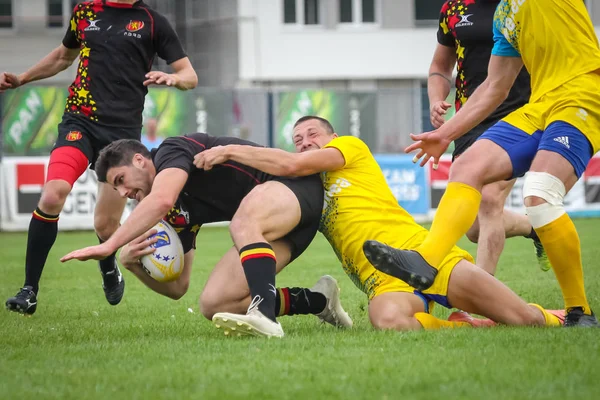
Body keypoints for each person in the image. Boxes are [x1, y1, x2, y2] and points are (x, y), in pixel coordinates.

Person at [193, 115, 565, 331]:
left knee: (525, 320)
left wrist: (228, 150)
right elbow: (284, 181)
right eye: (297, 140)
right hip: (382, 280)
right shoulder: (306, 193)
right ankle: (464, 326)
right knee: (387, 321)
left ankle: (565, 317)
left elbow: (289, 164)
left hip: (422, 255)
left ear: (333, 138)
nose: (304, 143)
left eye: (312, 135)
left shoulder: (349, 148)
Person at [368, 0, 599, 327]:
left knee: (540, 193)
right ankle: (426, 261)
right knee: (467, 168)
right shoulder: (505, 14)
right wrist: (445, 133)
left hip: (583, 94)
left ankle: (580, 312)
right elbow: (494, 86)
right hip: (538, 107)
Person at [2, 0, 197, 315]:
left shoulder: (153, 22)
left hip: (121, 136)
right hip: (78, 122)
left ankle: (108, 265)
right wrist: (23, 79)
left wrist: (175, 80)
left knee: (106, 225)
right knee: (53, 194)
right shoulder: (84, 12)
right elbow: (63, 57)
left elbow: (190, 75)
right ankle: (29, 290)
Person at [60, 133, 352, 338]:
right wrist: (131, 264)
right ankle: (317, 301)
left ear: (139, 160)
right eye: (116, 189)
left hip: (295, 188)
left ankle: (265, 316)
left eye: (120, 180)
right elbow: (178, 288)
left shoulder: (170, 152)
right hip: (284, 231)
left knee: (242, 222)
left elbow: (161, 198)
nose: (123, 193)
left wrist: (110, 245)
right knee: (215, 304)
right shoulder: (173, 214)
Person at [429, 0, 548, 275]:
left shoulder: (524, 5)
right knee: (473, 227)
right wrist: (436, 99)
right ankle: (536, 229)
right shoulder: (454, 8)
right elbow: (439, 64)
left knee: (490, 200)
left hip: (518, 114)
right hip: (469, 118)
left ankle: (482, 300)